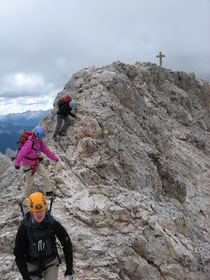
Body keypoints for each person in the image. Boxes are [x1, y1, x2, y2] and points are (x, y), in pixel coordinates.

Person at [14, 192, 74, 280]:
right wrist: (26, 277)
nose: (39, 214)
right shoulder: (24, 228)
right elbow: (19, 254)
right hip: (31, 265)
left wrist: (69, 267)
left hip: (50, 262)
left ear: (45, 209)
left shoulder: (52, 224)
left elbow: (67, 244)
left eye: (42, 210)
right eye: (36, 211)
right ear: (31, 211)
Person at [14, 127, 58, 200]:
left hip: (36, 163)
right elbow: (21, 153)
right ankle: (26, 197)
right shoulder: (29, 142)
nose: (40, 139)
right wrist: (17, 164)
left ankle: (49, 193)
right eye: (39, 137)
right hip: (27, 164)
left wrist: (55, 158)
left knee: (45, 175)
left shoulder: (41, 142)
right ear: (35, 135)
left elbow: (47, 152)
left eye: (41, 137)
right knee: (30, 182)